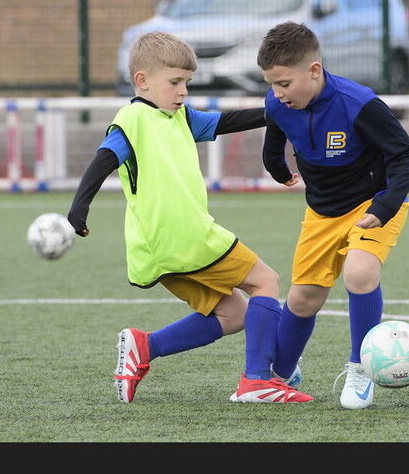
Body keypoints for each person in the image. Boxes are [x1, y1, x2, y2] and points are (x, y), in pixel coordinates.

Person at [68, 30, 312, 404]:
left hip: (160, 248)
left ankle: (144, 347)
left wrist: (277, 109)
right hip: (184, 236)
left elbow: (227, 121)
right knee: (266, 281)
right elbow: (103, 160)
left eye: (187, 83)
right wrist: (79, 207)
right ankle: (258, 381)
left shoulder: (180, 118)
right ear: (142, 81)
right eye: (175, 82)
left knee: (233, 315)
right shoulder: (133, 118)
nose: (183, 92)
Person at [257, 21, 409, 409]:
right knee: (302, 300)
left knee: (360, 272)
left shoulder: (358, 103)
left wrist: (385, 207)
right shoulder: (277, 103)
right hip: (321, 211)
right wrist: (277, 169)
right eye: (272, 85)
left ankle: (360, 369)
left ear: (314, 71)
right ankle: (282, 374)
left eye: (284, 83)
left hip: (372, 205)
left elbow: (406, 155)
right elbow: (275, 140)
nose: (277, 94)